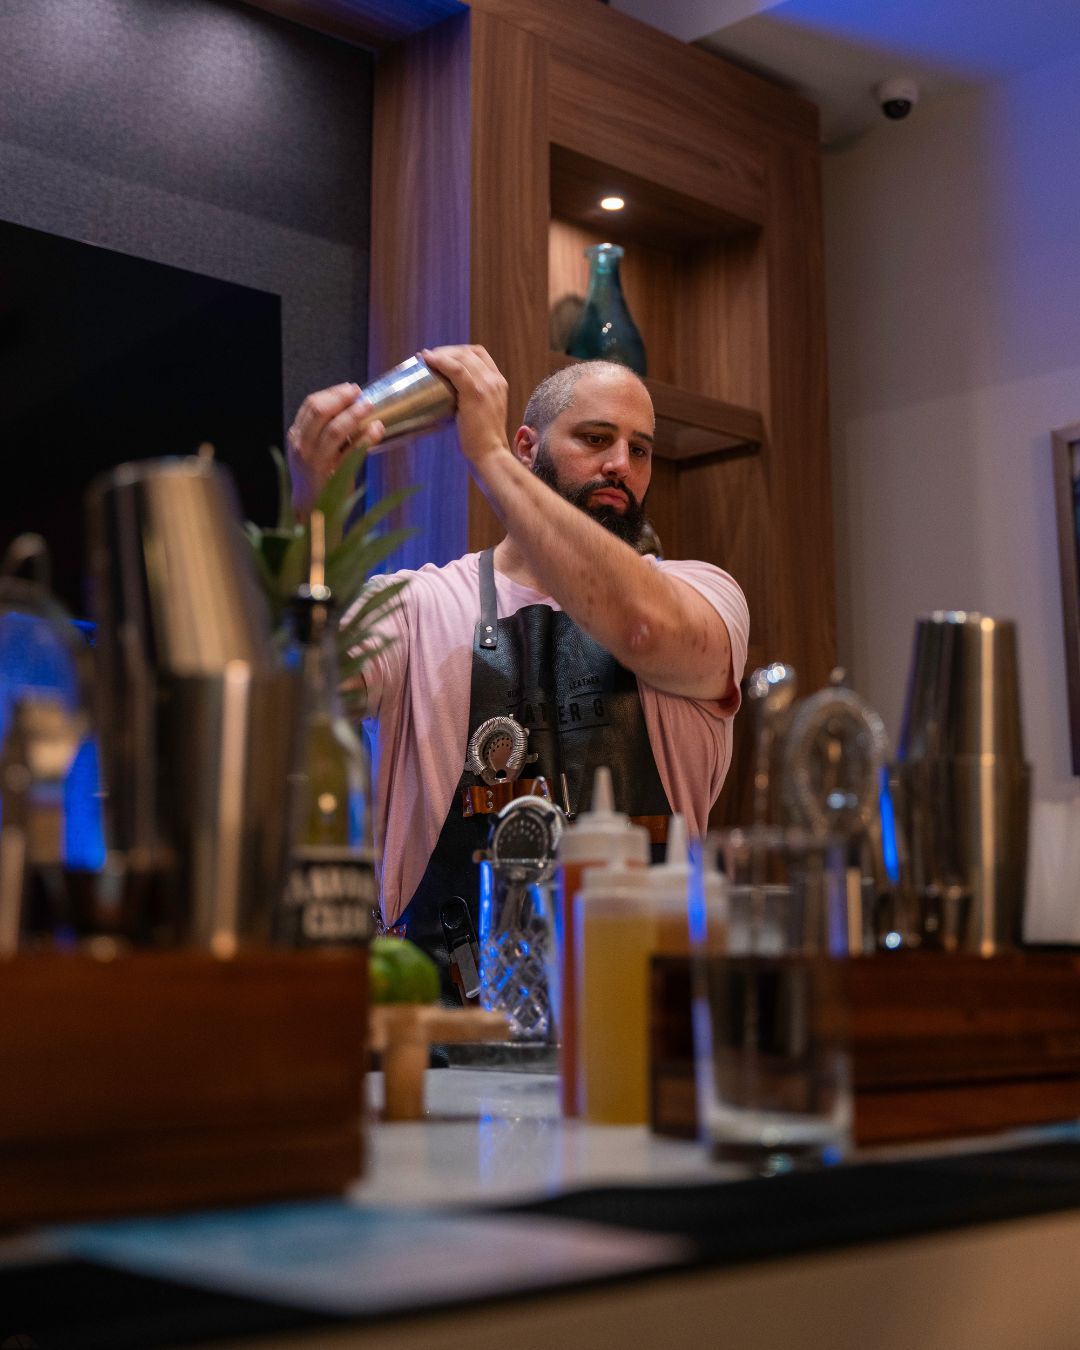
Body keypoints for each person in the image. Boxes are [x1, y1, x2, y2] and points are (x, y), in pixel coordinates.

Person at [287, 345, 748, 973]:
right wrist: (314, 504)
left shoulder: (705, 596)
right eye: (595, 437)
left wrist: (487, 455)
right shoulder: (418, 606)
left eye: (639, 450)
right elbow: (299, 686)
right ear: (529, 446)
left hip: (649, 1018)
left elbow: (640, 625)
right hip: (445, 1027)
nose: (620, 464)